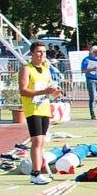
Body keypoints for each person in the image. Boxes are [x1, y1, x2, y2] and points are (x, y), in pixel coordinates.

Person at [19, 41, 59, 185]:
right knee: (36, 141)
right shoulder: (27, 69)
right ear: (32, 53)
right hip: (33, 109)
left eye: (43, 52)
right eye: (39, 52)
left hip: (44, 108)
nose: (42, 55)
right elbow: (23, 90)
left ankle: (39, 170)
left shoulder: (46, 70)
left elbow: (50, 88)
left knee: (42, 141)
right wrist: (43, 92)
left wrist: (55, 93)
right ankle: (35, 173)